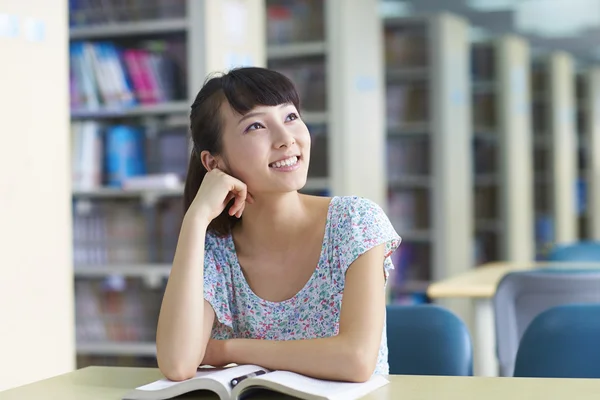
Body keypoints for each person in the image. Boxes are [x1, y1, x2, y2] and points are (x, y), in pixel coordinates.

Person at [156, 67, 401, 383]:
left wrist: (229, 350)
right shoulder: (214, 247)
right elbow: (178, 364)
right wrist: (196, 219)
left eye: (290, 117)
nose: (286, 139)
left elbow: (355, 360)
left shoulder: (354, 223)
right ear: (213, 163)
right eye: (256, 126)